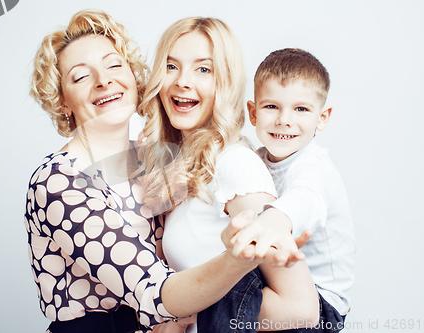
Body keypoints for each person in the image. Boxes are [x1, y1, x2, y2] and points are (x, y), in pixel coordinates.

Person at [25, 9, 284, 333]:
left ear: (135, 77)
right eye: (80, 76)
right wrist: (237, 260)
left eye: (114, 65)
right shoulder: (58, 182)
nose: (103, 81)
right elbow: (151, 292)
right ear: (62, 100)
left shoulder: (156, 162)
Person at [137, 17, 319, 333]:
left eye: (203, 69)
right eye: (171, 66)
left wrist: (185, 310)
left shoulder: (236, 165)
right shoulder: (182, 163)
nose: (182, 81)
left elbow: (300, 309)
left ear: (225, 81)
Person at [243, 48, 357, 332]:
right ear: (253, 113)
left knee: (226, 295)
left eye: (301, 109)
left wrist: (274, 220)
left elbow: (306, 197)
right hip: (281, 284)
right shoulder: (254, 160)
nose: (284, 119)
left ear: (323, 117)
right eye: (271, 107)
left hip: (321, 304)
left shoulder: (314, 167)